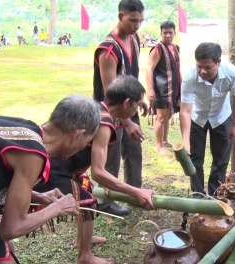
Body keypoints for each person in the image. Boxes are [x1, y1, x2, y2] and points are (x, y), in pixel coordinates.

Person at [0, 95, 101, 263]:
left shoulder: (27, 131)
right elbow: (10, 228)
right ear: (78, 135)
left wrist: (38, 196)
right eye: (88, 140)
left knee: (0, 247)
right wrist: (57, 208)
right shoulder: (33, 155)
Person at [34, 77, 156, 264]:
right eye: (138, 105)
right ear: (126, 103)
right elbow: (98, 172)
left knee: (86, 187)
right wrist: (136, 191)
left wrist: (109, 183)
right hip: (52, 170)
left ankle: (83, 239)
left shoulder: (98, 108)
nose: (137, 110)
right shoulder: (104, 123)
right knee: (88, 200)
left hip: (62, 166)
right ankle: (85, 256)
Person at [92, 0, 147, 216]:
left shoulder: (135, 40)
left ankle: (135, 194)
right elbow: (110, 92)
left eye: (140, 21)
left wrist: (138, 98)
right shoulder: (108, 49)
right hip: (112, 113)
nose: (137, 25)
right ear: (120, 16)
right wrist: (127, 121)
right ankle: (105, 203)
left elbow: (131, 74)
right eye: (133, 20)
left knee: (134, 151)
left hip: (129, 106)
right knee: (110, 160)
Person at [180, 43, 235, 196]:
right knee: (194, 159)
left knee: (221, 160)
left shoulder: (231, 73)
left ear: (218, 62)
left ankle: (215, 194)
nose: (203, 71)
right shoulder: (189, 78)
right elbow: (185, 111)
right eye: (199, 66)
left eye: (208, 67)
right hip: (198, 117)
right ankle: (198, 195)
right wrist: (185, 140)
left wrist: (234, 125)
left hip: (222, 116)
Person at [146, 21, 181, 155]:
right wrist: (150, 89)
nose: (167, 35)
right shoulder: (157, 49)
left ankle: (165, 141)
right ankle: (159, 146)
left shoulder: (176, 48)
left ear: (174, 33)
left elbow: (177, 69)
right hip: (160, 89)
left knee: (167, 116)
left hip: (173, 88)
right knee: (161, 117)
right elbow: (149, 69)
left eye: (170, 32)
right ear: (160, 33)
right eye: (165, 33)